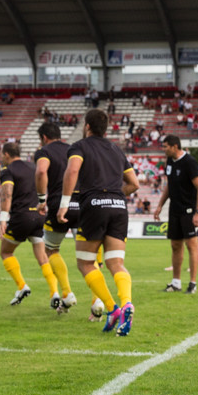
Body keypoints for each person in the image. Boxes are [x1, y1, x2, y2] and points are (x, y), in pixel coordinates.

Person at [58, 108, 140, 336]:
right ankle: (127, 303)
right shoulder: (116, 150)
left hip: (94, 205)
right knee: (116, 263)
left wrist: (65, 203)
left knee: (85, 263)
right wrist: (114, 194)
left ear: (87, 126)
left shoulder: (79, 146)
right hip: (118, 206)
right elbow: (134, 184)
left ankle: (113, 309)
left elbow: (73, 170)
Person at [0, 141, 60, 306]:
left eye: (2, 155)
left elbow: (7, 193)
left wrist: (3, 218)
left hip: (21, 216)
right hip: (39, 216)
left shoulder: (8, 171)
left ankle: (21, 285)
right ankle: (54, 292)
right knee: (42, 257)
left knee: (6, 252)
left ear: (7, 155)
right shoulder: (33, 167)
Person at [33, 122, 79, 313]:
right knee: (89, 253)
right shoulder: (74, 150)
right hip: (81, 203)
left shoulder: (44, 151)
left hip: (58, 203)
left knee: (51, 250)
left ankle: (67, 293)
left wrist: (42, 199)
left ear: (44, 137)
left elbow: (42, 171)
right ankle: (97, 302)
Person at [155, 134, 198, 294]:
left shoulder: (189, 162)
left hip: (189, 211)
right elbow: (169, 185)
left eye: (165, 147)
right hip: (174, 211)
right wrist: (160, 205)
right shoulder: (169, 161)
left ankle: (193, 284)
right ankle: (176, 283)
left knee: (192, 245)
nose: (163, 150)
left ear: (174, 146)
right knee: (175, 245)